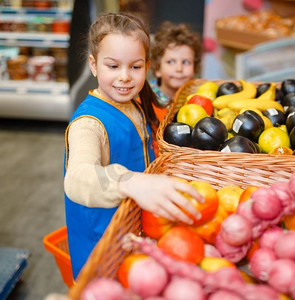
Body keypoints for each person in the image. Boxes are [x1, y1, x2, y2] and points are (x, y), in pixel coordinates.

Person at [63, 12, 204, 280]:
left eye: (135, 67)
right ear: (93, 65)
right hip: (104, 248)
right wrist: (130, 182)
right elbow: (78, 177)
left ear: (148, 66)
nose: (125, 77)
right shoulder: (88, 124)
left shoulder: (136, 104)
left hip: (135, 235)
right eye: (113, 66)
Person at [150, 21, 203, 122]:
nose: (179, 68)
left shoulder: (199, 99)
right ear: (157, 68)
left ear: (194, 67)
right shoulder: (146, 102)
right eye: (170, 62)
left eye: (186, 62)